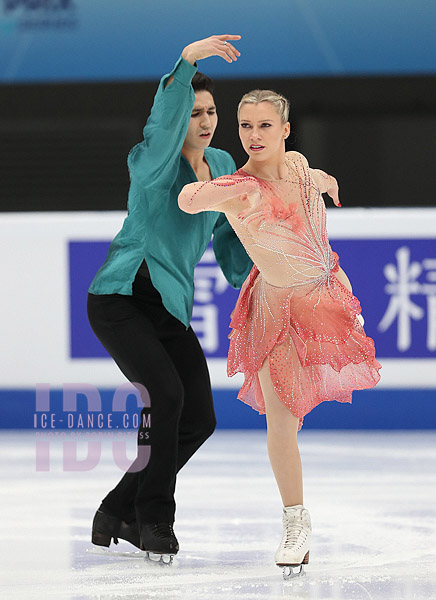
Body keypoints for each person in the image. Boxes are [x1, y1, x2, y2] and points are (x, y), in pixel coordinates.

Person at [178, 89, 382, 578]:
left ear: (285, 130)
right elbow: (187, 201)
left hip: (327, 294)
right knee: (282, 422)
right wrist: (202, 178)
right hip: (275, 311)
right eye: (245, 126)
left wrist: (324, 180)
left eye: (264, 125)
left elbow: (310, 177)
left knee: (298, 410)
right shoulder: (239, 188)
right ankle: (296, 522)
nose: (253, 135)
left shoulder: (296, 164)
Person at [86, 36, 252, 563]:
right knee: (165, 394)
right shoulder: (154, 161)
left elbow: (231, 240)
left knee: (199, 417)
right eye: (194, 111)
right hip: (122, 298)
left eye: (211, 111)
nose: (204, 121)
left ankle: (118, 506)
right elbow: (162, 124)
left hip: (170, 309)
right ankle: (154, 519)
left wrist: (258, 280)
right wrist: (186, 62)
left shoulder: (224, 163)